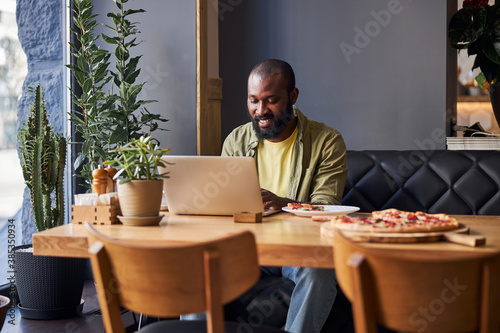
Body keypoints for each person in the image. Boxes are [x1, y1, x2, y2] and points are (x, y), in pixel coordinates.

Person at [221, 59, 348, 333]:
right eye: (253, 100)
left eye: (271, 100)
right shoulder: (235, 141)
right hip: (247, 249)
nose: (260, 111)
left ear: (293, 96)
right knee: (196, 263)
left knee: (320, 271)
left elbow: (327, 209)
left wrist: (284, 203)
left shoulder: (327, 142)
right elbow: (223, 205)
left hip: (299, 252)